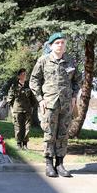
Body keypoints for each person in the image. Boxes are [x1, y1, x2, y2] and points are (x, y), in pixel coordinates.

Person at [29, 32, 81, 177]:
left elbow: (77, 81)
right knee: (49, 134)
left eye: (63, 42)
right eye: (57, 43)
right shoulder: (43, 61)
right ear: (51, 45)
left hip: (66, 104)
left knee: (63, 134)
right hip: (49, 104)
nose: (60, 45)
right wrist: (40, 99)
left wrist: (74, 96)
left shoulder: (71, 61)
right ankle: (48, 164)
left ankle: (60, 164)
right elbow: (34, 81)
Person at [7, 68, 36, 150]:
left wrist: (32, 108)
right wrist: (12, 110)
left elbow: (33, 98)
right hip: (17, 110)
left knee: (27, 127)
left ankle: (25, 144)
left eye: (25, 74)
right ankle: (19, 144)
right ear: (19, 76)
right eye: (23, 74)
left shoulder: (29, 86)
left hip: (27, 110)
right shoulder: (14, 86)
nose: (24, 76)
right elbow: (9, 99)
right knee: (18, 127)